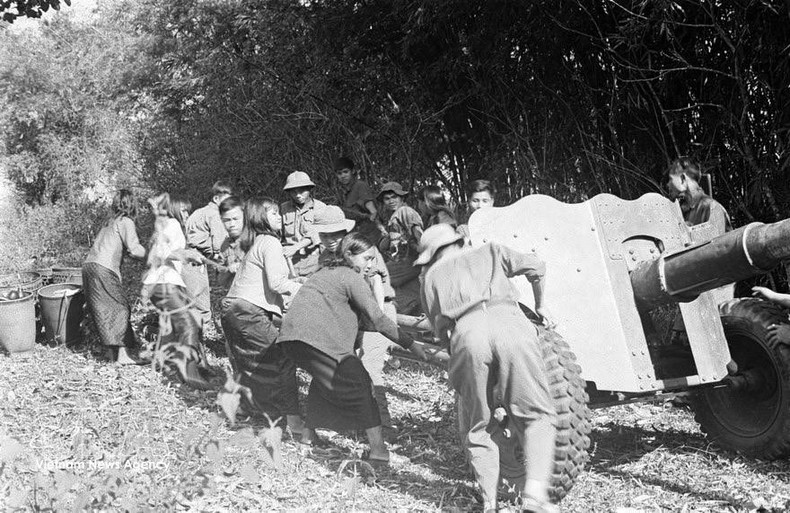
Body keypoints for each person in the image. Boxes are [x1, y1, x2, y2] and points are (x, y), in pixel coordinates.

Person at [416, 224, 557, 513]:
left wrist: (461, 352)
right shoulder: (490, 250)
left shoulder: (430, 277)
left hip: (467, 335)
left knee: (479, 426)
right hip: (510, 325)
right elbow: (537, 267)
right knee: (537, 414)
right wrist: (542, 305)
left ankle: (490, 503)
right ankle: (534, 494)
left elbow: (439, 330)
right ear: (460, 240)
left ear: (431, 255)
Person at [277, 232, 427, 463]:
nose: (371, 264)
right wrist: (411, 344)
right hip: (315, 338)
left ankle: (307, 438)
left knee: (322, 379)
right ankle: (379, 451)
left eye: (373, 259)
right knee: (361, 384)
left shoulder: (325, 273)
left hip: (291, 338)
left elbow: (357, 319)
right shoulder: (349, 276)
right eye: (367, 258)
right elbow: (378, 318)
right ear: (349, 255)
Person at [220, 197, 304, 431]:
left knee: (249, 362)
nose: (279, 217)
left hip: (232, 308)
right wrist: (306, 289)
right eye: (273, 213)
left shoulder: (256, 242)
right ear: (260, 217)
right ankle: (294, 422)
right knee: (282, 360)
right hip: (246, 310)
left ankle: (251, 408)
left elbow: (267, 285)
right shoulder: (270, 242)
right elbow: (277, 283)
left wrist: (294, 284)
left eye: (279, 212)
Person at [313, 206, 399, 429]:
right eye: (325, 235)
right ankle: (356, 422)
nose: (331, 240)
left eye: (335, 234)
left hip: (377, 313)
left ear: (345, 232)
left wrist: (376, 321)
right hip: (351, 317)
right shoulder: (326, 257)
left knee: (370, 367)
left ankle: (384, 427)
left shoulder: (362, 248)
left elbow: (377, 284)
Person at [143, 193, 211, 389]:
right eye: (183, 210)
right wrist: (187, 253)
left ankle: (161, 363)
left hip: (162, 283)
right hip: (164, 283)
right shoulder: (172, 225)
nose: (187, 214)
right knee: (189, 324)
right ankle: (189, 373)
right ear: (174, 210)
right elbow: (160, 254)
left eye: (188, 211)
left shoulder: (169, 226)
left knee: (170, 324)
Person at [82, 189, 147, 364]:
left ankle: (110, 354)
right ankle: (123, 356)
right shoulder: (125, 221)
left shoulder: (109, 222)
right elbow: (134, 248)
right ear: (132, 204)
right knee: (120, 307)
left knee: (102, 309)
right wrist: (152, 256)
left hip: (89, 267)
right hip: (103, 267)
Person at [184, 181, 234, 330]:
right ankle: (201, 343)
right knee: (202, 304)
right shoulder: (215, 214)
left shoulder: (198, 212)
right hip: (195, 260)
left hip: (186, 257)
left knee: (190, 300)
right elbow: (219, 245)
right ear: (216, 199)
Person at [377, 181, 424, 315]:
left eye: (394, 197)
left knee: (379, 278)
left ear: (402, 198)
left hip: (409, 260)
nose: (391, 201)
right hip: (402, 262)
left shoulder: (405, 211)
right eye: (387, 198)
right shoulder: (394, 216)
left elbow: (420, 236)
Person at [664, 158, 732, 233]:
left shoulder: (712, 209)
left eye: (670, 179)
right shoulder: (680, 211)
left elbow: (726, 243)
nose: (668, 184)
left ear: (683, 179)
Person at [281, 171, 326, 278]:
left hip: (313, 262)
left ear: (309, 189)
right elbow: (279, 235)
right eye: (293, 192)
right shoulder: (283, 208)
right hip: (289, 262)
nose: (298, 195)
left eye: (302, 191)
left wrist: (295, 247)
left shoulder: (320, 207)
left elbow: (315, 234)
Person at [334, 156, 383, 246]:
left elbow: (373, 212)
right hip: (355, 231)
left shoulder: (360, 186)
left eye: (345, 172)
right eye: (339, 173)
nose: (343, 176)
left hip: (369, 232)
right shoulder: (343, 191)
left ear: (352, 171)